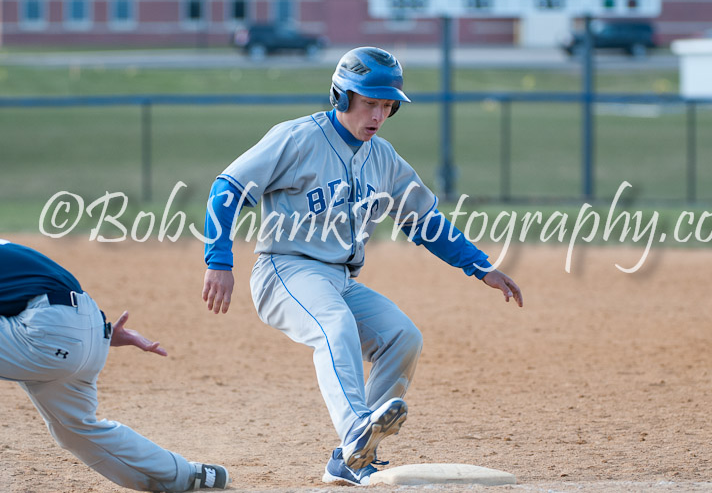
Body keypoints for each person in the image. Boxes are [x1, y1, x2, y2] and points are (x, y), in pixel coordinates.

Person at [202, 46, 523, 485]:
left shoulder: (383, 158)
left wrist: (480, 266)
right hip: (286, 270)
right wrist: (219, 260)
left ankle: (351, 456)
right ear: (341, 96)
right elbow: (226, 189)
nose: (378, 115)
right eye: (369, 102)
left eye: (387, 106)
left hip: (339, 278)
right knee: (335, 325)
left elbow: (424, 220)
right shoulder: (297, 139)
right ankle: (356, 427)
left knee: (402, 338)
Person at [0, 239, 230, 492]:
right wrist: (99, 334)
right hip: (86, 328)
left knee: (74, 427)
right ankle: (187, 474)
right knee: (75, 431)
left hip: (46, 332)